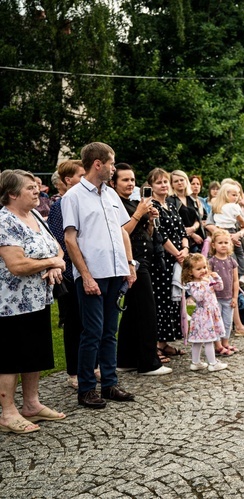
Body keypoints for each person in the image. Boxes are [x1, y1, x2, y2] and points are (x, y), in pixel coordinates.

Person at [62, 142, 137, 409]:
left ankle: (109, 383)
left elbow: (122, 231)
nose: (114, 168)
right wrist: (86, 275)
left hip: (116, 271)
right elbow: (70, 240)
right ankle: (85, 389)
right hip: (92, 274)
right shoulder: (73, 197)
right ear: (98, 164)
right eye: (112, 163)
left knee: (110, 332)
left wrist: (129, 265)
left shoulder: (110, 194)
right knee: (92, 331)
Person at [0, 169, 67, 433]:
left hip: (38, 300)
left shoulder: (35, 214)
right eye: (29, 188)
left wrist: (55, 264)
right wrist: (51, 262)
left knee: (34, 353)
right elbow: (16, 265)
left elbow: (56, 246)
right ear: (12, 194)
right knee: (11, 357)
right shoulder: (4, 221)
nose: (36, 190)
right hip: (11, 304)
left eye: (36, 186)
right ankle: (7, 413)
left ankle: (31, 404)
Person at [112, 164, 172, 376]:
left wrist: (151, 220)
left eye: (132, 180)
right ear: (114, 183)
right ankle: (148, 362)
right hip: (132, 261)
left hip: (144, 259)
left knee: (133, 312)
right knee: (147, 311)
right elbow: (121, 233)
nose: (130, 184)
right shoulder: (115, 204)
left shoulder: (133, 202)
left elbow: (144, 231)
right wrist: (139, 214)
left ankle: (126, 359)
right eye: (125, 180)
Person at [48, 160, 86, 389]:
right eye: (80, 175)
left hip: (88, 269)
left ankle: (90, 366)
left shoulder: (85, 201)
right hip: (70, 272)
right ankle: (74, 371)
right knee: (73, 322)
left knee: (89, 322)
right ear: (67, 180)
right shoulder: (59, 206)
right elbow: (59, 239)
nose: (84, 179)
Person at [205, 181, 244, 336]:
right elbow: (209, 225)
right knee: (225, 287)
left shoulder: (233, 209)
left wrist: (236, 235)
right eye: (233, 193)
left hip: (233, 244)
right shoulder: (216, 209)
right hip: (222, 247)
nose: (235, 196)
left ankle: (237, 324)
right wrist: (224, 236)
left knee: (234, 285)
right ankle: (230, 326)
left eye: (237, 193)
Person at [148, 168, 188, 360]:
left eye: (165, 182)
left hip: (178, 259)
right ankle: (156, 344)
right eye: (159, 183)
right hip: (162, 261)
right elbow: (159, 234)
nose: (163, 185)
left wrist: (185, 250)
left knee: (174, 302)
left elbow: (181, 231)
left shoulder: (171, 205)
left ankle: (165, 342)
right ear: (151, 186)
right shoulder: (152, 206)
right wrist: (177, 254)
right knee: (161, 301)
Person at [209, 229, 244, 359]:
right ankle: (217, 346)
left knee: (227, 322)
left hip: (228, 298)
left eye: (226, 242)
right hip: (215, 298)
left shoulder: (232, 262)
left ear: (230, 244)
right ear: (213, 245)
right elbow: (208, 280)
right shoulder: (211, 262)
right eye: (220, 242)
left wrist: (234, 297)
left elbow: (235, 281)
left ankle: (225, 343)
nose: (223, 245)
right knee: (217, 322)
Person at [181, 253, 228, 372]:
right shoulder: (193, 285)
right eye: (198, 269)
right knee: (207, 340)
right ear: (190, 272)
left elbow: (219, 288)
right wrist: (206, 284)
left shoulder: (208, 279)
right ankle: (212, 363)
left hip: (211, 313)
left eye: (204, 267)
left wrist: (217, 278)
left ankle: (196, 363)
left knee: (203, 339)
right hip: (203, 316)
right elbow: (199, 297)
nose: (203, 270)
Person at [169, 170, 205, 254]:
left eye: (182, 180)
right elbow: (174, 223)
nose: (179, 183)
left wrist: (193, 228)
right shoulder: (170, 201)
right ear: (172, 184)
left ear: (186, 181)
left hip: (198, 240)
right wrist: (192, 234)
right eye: (176, 181)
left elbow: (198, 219)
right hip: (180, 241)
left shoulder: (191, 199)